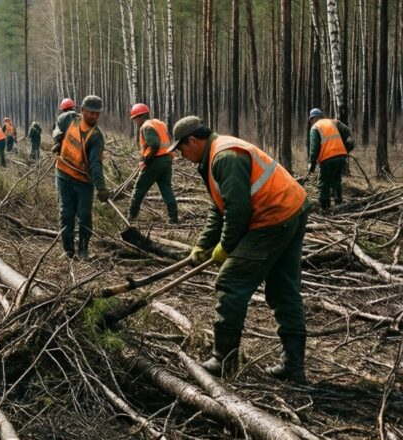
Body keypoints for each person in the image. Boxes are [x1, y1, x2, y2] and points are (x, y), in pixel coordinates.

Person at [171, 115, 310, 383]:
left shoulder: (224, 157)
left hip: (273, 218)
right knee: (284, 290)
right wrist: (203, 244)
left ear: (193, 140)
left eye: (181, 148)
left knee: (230, 282)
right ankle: (293, 367)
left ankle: (223, 360)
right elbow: (219, 206)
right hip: (292, 209)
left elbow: (237, 212)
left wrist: (225, 247)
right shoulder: (214, 154)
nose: (180, 155)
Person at [52, 95, 109, 259]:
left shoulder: (96, 136)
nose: (94, 116)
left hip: (84, 181)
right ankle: (68, 252)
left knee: (84, 215)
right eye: (91, 113)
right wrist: (57, 139)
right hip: (63, 174)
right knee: (66, 213)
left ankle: (83, 250)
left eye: (97, 114)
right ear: (82, 110)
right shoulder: (69, 119)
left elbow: (96, 164)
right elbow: (57, 126)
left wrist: (101, 187)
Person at [128, 103, 178, 223]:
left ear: (139, 117)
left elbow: (154, 144)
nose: (135, 121)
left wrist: (146, 160)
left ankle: (131, 218)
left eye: (135, 118)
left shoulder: (146, 126)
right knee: (166, 189)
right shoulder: (159, 123)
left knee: (138, 189)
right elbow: (169, 140)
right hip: (167, 160)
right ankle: (173, 218)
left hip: (155, 161)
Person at [307, 108, 353, 211]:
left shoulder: (315, 127)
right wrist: (346, 146)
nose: (311, 122)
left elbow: (314, 148)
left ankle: (325, 207)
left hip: (328, 158)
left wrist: (311, 163)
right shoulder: (333, 122)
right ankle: (339, 203)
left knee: (324, 181)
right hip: (341, 156)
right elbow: (347, 131)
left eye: (311, 120)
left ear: (313, 118)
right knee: (336, 179)